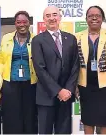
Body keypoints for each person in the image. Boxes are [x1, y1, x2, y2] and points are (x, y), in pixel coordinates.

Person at [75, 5, 106, 134]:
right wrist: (75, 84)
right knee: (88, 120)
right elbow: (74, 64)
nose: (94, 18)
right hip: (85, 85)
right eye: (90, 16)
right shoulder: (78, 36)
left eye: (97, 16)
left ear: (102, 18)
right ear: (86, 19)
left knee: (105, 120)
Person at [31, 6, 80, 134]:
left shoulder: (71, 39)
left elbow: (75, 66)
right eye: (48, 16)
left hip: (66, 97)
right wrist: (58, 91)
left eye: (54, 15)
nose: (52, 18)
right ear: (44, 19)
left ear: (60, 17)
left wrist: (68, 89)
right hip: (46, 96)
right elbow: (40, 69)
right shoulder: (37, 40)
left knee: (64, 131)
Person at [0, 11, 38, 134]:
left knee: (30, 117)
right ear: (15, 24)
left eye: (24, 22)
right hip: (10, 84)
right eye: (19, 22)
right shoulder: (6, 38)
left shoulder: (36, 39)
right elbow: (0, 60)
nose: (22, 25)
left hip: (31, 84)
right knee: (11, 117)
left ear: (29, 23)